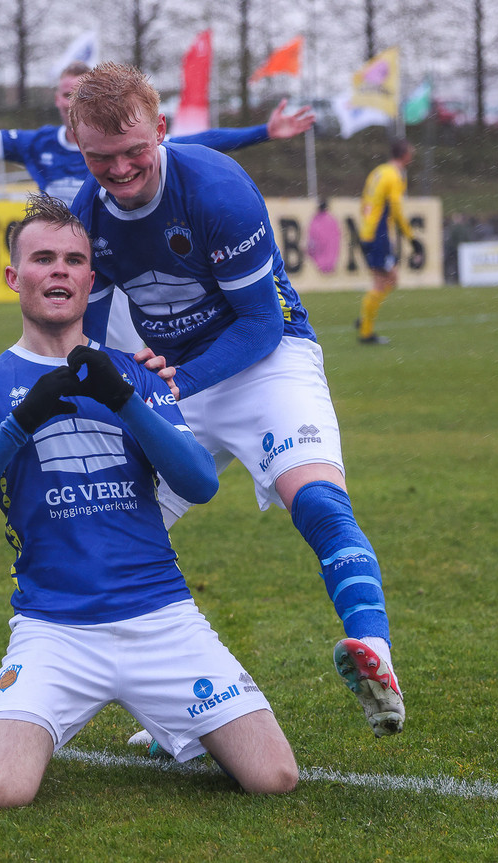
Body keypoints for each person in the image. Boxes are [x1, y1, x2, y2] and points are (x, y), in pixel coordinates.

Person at [0, 195, 298, 810]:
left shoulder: (137, 373)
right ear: (15, 277)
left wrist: (123, 398)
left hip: (162, 617)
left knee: (274, 777)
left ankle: (169, 725)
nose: (60, 270)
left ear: (90, 279)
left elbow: (200, 484)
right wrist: (21, 421)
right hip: (55, 627)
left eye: (74, 260)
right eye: (43, 259)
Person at [67, 62, 404, 739]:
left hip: (266, 362)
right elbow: (89, 338)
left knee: (318, 500)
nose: (121, 169)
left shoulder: (217, 191)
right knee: (108, 541)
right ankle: (182, 713)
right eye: (102, 157)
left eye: (134, 150)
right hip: (174, 378)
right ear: (79, 145)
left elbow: (259, 324)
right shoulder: (87, 216)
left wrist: (174, 385)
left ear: (161, 129)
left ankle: (375, 654)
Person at [0, 66, 313, 346]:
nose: (118, 166)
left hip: (123, 264)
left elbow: (201, 142)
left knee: (135, 362)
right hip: (78, 263)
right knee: (78, 356)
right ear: (60, 102)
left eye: (79, 88)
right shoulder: (36, 144)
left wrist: (263, 132)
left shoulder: (130, 136)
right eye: (64, 91)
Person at [356, 139, 420, 344]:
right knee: (386, 280)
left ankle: (366, 317)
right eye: (411, 152)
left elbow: (365, 202)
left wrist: (366, 227)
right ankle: (366, 331)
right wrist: (411, 238)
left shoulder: (378, 172)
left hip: (368, 232)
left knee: (387, 279)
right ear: (405, 155)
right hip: (378, 234)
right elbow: (396, 210)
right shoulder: (395, 175)